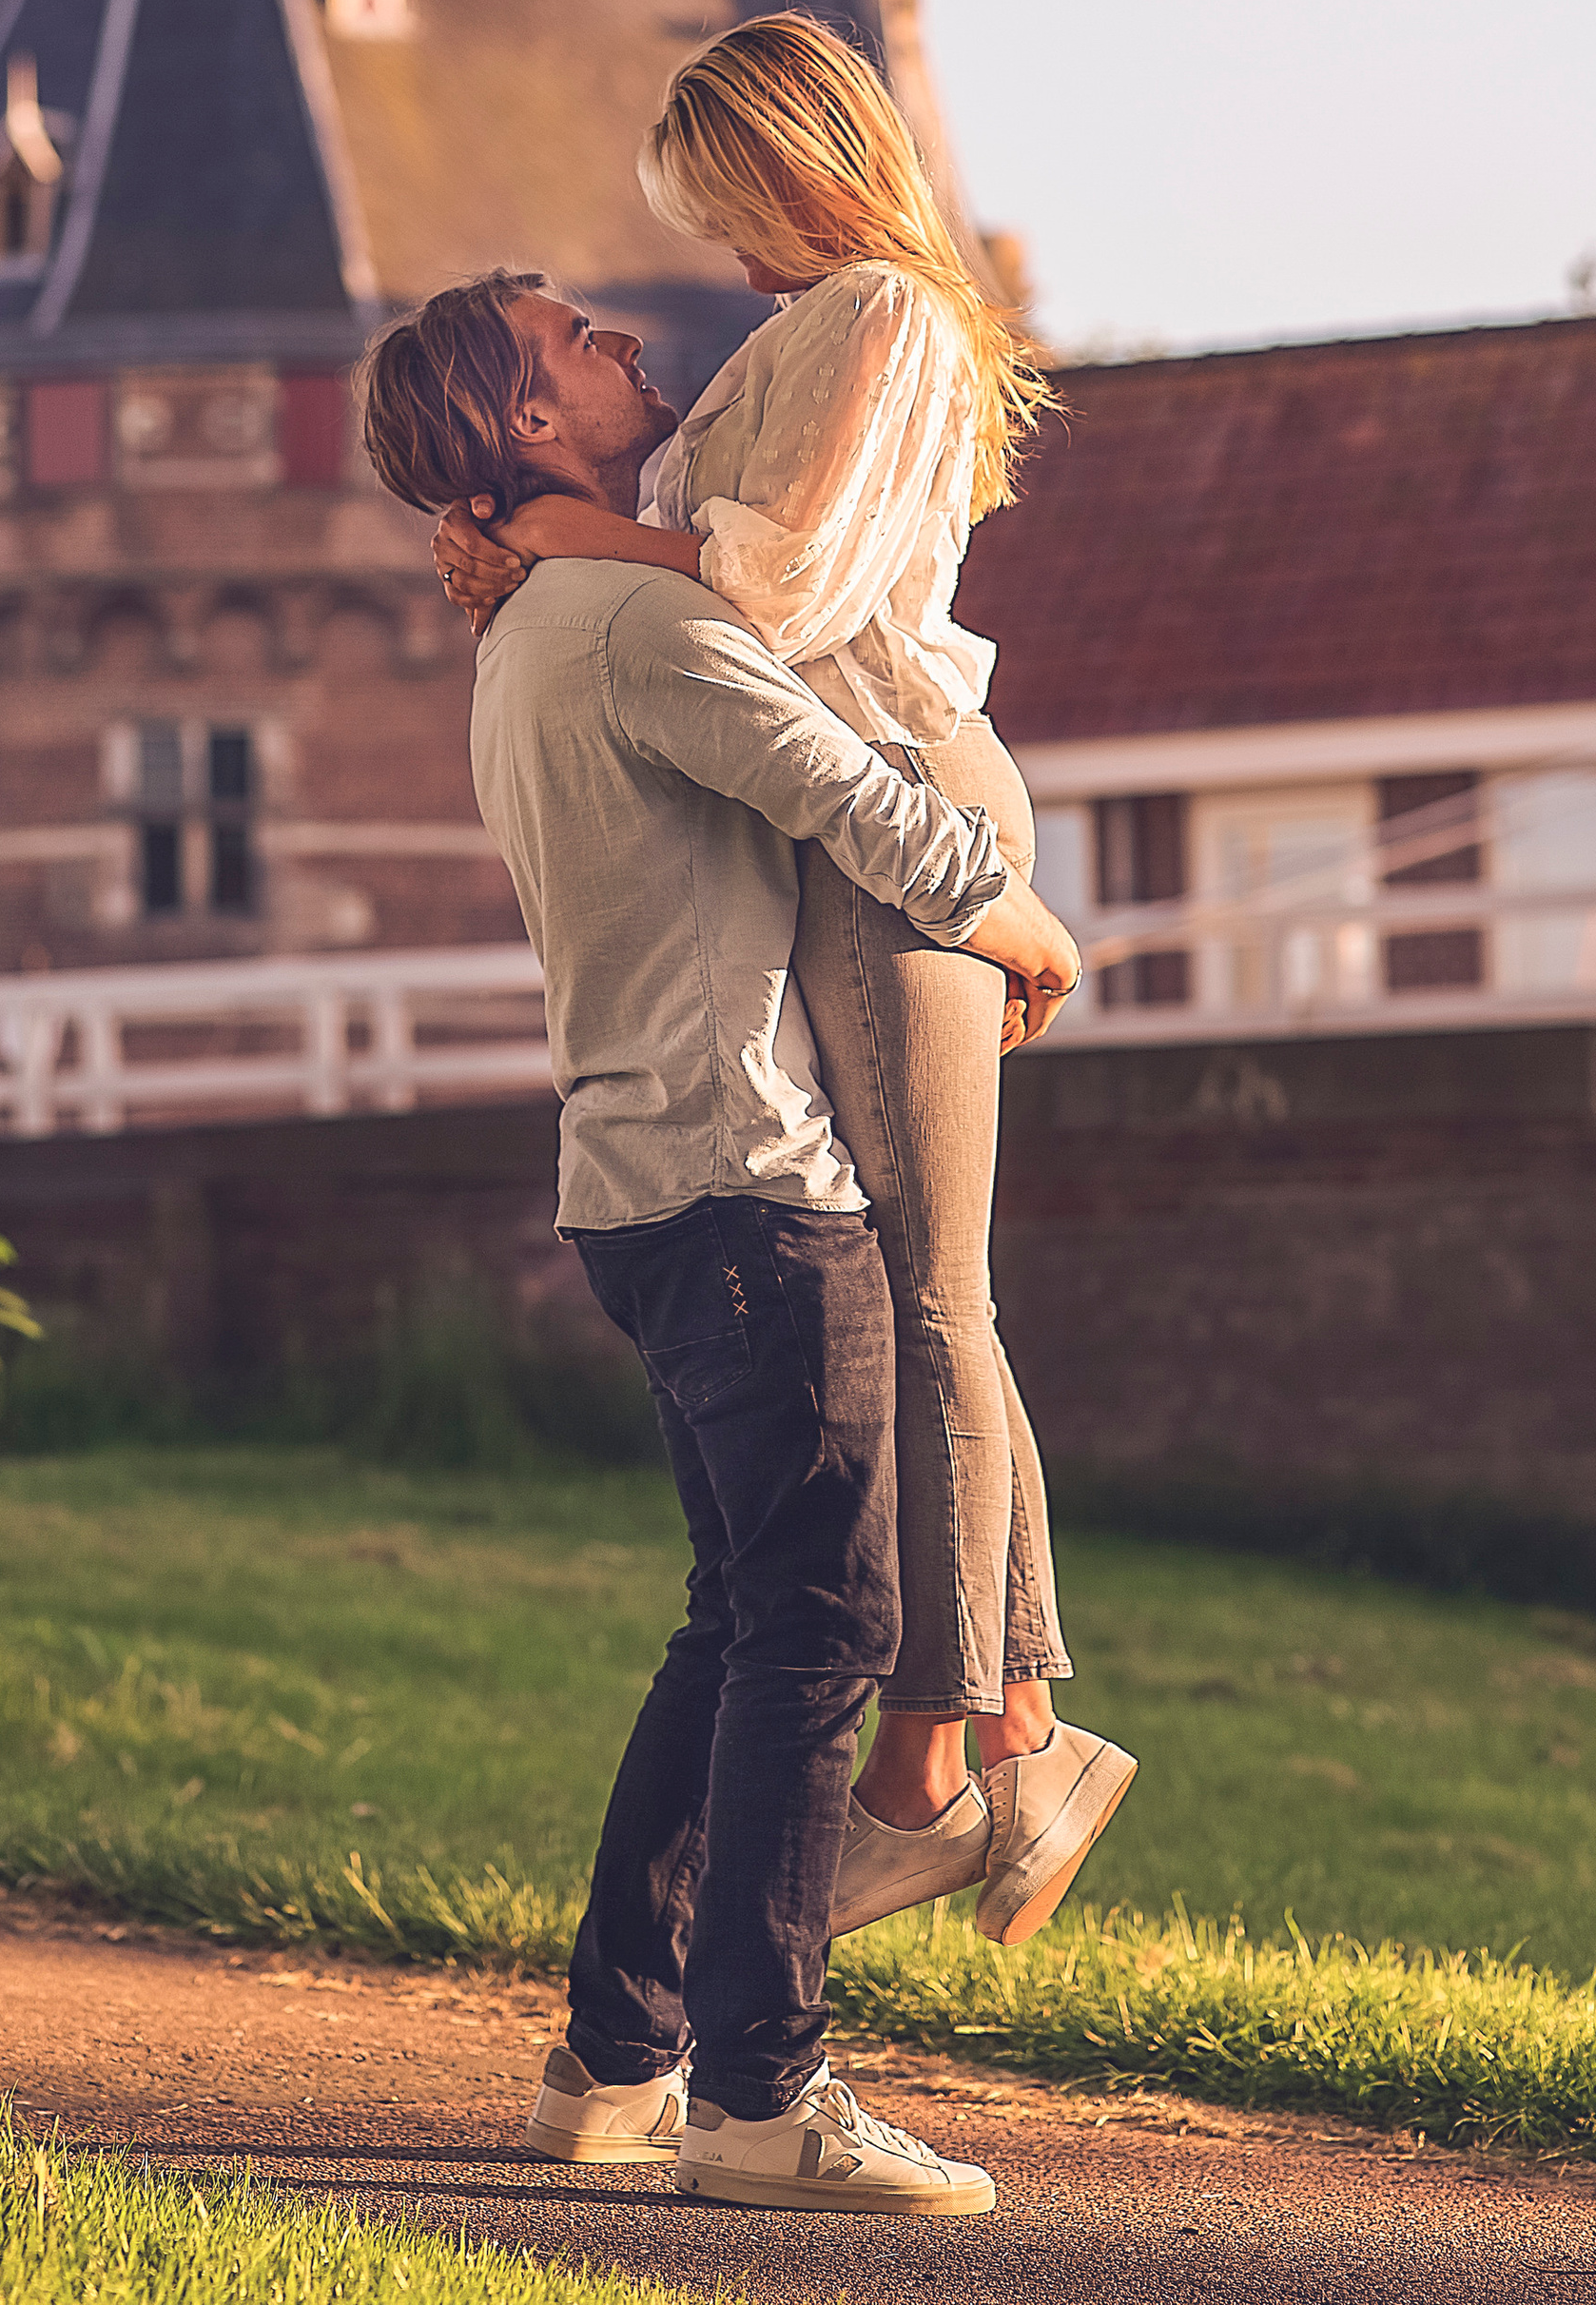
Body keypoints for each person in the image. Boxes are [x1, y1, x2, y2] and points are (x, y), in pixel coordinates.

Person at [361, 274, 1080, 2216]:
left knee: (739, 1620)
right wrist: (1004, 910)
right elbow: (834, 782)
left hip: (636, 1185)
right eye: (574, 336)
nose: (618, 335)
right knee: (818, 1637)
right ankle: (764, 2100)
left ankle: (610, 2064)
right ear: (523, 425)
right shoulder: (630, 623)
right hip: (749, 1189)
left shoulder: (528, 625)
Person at [434, 16, 1135, 1950]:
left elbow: (767, 587)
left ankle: (958, 1762)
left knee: (927, 1282)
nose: (716, 259)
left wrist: (553, 529)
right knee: (906, 1280)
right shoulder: (803, 329)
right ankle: (1005, 1742)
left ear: (788, 165)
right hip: (831, 816)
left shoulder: (889, 319)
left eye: (721, 209)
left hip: (896, 797)